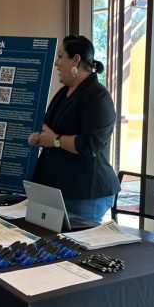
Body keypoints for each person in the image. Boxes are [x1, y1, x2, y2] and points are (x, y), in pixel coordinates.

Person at [28, 35, 120, 225]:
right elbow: (52, 130)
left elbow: (91, 144)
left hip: (85, 192)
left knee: (78, 251)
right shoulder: (64, 92)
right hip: (58, 189)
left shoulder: (97, 96)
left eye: (61, 56)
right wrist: (41, 137)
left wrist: (56, 140)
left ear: (76, 60)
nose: (56, 63)